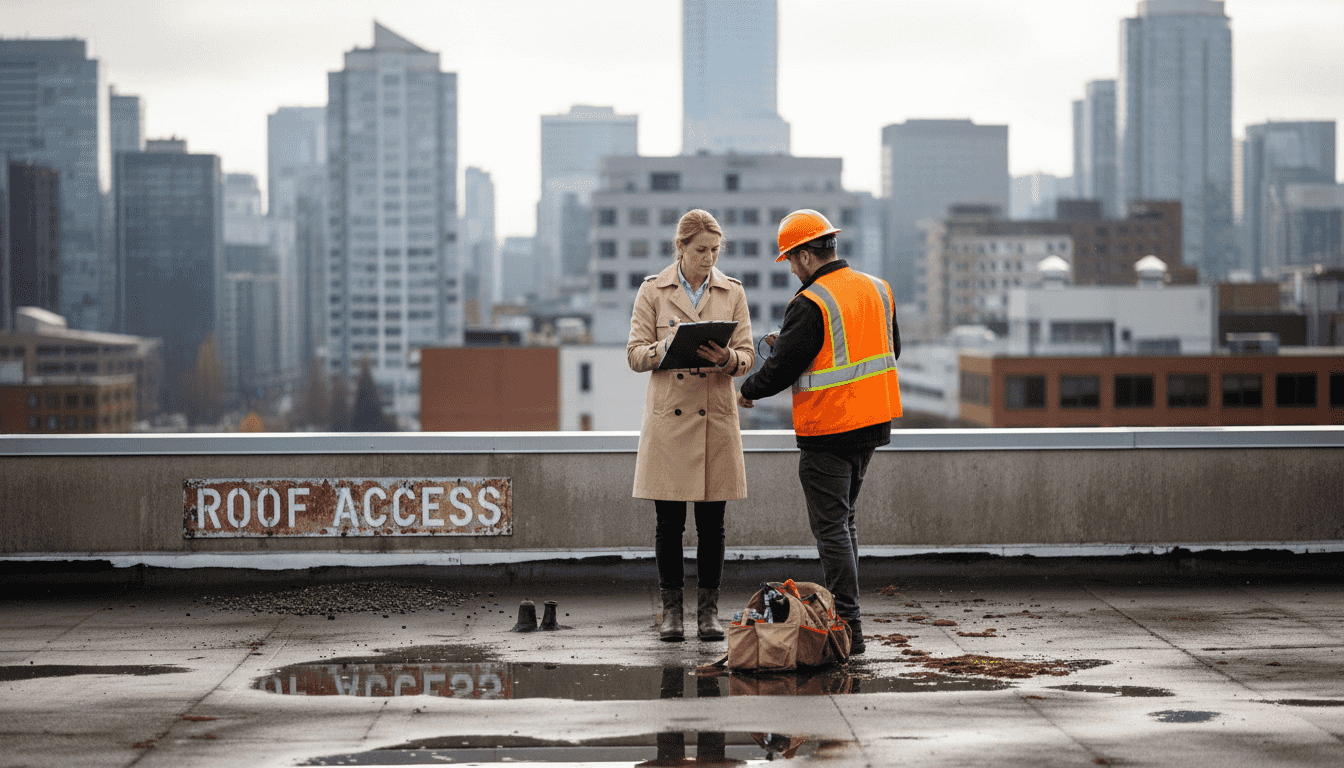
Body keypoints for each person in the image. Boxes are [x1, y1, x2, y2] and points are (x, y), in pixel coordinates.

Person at [736, 209, 901, 655]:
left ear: (808, 255)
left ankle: (849, 628)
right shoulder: (877, 289)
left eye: (792, 258)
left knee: (831, 529)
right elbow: (891, 350)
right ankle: (850, 623)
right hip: (872, 424)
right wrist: (786, 343)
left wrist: (747, 389)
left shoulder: (811, 303)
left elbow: (784, 369)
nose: (791, 268)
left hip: (830, 428)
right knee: (844, 523)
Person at [627, 209, 755, 642]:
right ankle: (671, 613)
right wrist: (668, 346)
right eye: (701, 250)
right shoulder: (653, 291)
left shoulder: (732, 291)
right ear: (680, 247)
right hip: (670, 422)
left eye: (716, 250)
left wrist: (727, 360)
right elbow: (633, 355)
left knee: (713, 523)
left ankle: (708, 612)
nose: (709, 259)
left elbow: (748, 355)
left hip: (714, 419)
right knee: (669, 524)